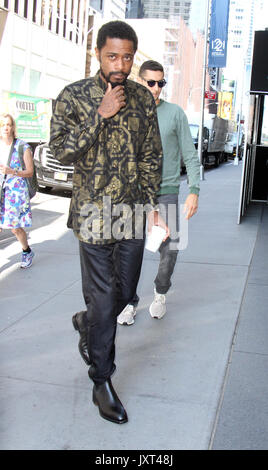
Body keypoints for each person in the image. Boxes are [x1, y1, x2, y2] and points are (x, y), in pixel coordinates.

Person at [49, 21, 168, 424]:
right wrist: (99, 115)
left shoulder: (141, 98)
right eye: (112, 56)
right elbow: (60, 151)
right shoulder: (73, 96)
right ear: (97, 52)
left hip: (132, 213)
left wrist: (152, 205)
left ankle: (86, 323)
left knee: (125, 296)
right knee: (103, 300)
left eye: (127, 57)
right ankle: (102, 380)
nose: (120, 64)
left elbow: (153, 155)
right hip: (93, 216)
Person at [117, 60, 200, 326]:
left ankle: (160, 293)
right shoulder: (126, 112)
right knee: (130, 251)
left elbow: (189, 153)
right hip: (133, 193)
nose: (156, 88)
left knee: (171, 246)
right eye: (150, 82)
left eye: (160, 83)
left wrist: (194, 190)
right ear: (140, 81)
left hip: (166, 191)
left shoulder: (175, 113)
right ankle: (128, 302)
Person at [0, 114, 35, 268]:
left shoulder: (22, 147)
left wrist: (11, 171)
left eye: (8, 125)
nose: (6, 128)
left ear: (13, 127)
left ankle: (26, 251)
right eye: (3, 125)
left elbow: (30, 172)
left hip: (14, 193)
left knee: (14, 228)